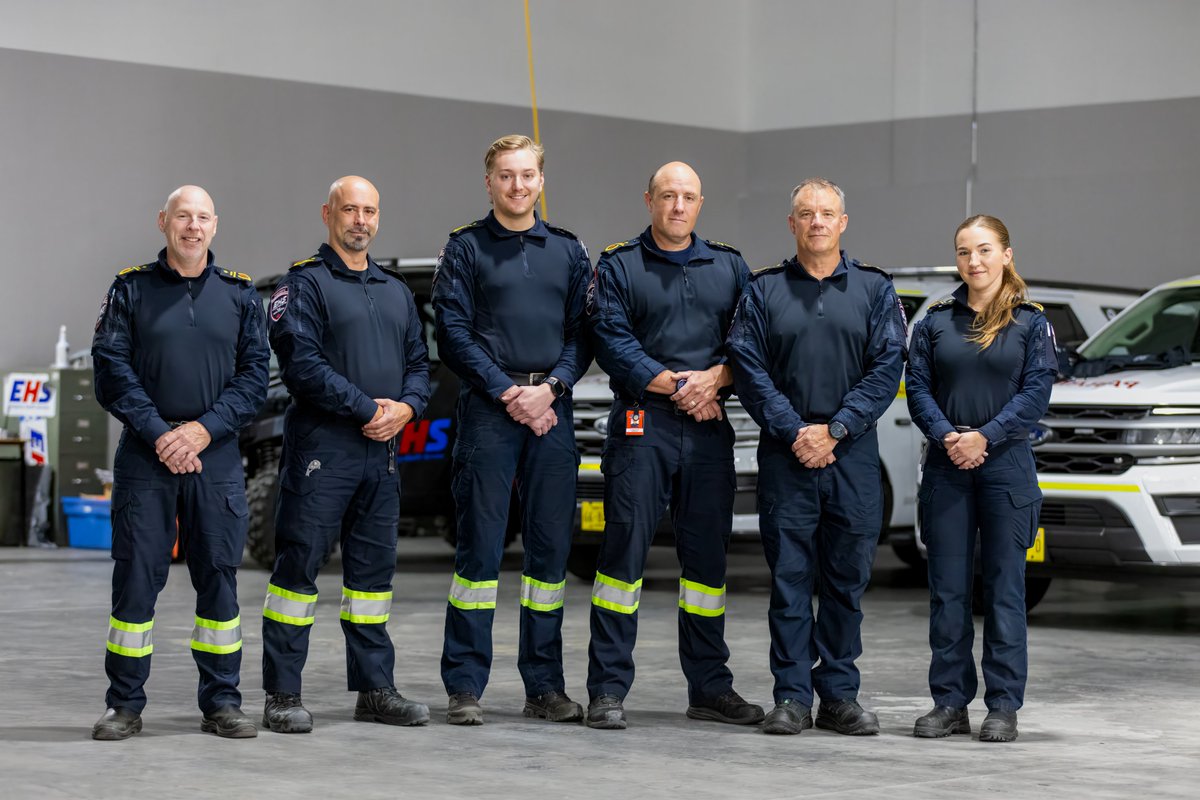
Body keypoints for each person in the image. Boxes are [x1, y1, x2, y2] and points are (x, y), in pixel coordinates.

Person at [585, 161, 761, 731]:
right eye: (667, 196)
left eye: (688, 196)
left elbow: (750, 342)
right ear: (649, 201)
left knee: (707, 564)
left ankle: (710, 688)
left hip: (709, 426)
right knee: (622, 557)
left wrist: (716, 379)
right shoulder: (619, 265)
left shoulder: (730, 266)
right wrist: (683, 388)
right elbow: (611, 340)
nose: (678, 206)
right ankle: (607, 689)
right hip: (644, 424)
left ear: (700, 204)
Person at [727, 177, 906, 736]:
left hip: (852, 456)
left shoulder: (875, 289)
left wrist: (836, 429)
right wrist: (796, 431)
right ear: (792, 224)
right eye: (806, 213)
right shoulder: (763, 290)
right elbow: (748, 368)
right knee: (789, 580)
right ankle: (791, 697)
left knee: (846, 581)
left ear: (843, 222)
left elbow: (887, 368)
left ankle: (839, 697)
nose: (817, 222)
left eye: (827, 213)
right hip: (787, 456)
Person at [91, 185, 270, 740]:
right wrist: (161, 432)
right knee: (135, 579)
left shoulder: (240, 295)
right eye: (183, 216)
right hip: (146, 457)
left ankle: (223, 702)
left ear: (215, 225)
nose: (193, 227)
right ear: (163, 221)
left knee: (218, 577)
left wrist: (201, 430)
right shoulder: (130, 289)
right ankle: (124, 705)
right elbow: (111, 370)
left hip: (215, 456)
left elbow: (254, 379)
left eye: (202, 217)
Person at [260, 176, 431, 733]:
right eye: (350, 209)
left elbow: (419, 365)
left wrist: (406, 409)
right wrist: (367, 409)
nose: (360, 220)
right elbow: (302, 365)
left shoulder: (395, 289)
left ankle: (375, 689)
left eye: (369, 211)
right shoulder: (303, 284)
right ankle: (282, 694)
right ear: (328, 213)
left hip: (382, 454)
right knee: (297, 572)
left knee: (372, 579)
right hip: (324, 450)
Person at [433, 135, 592, 726]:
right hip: (489, 412)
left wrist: (551, 389)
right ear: (490, 182)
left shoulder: (569, 250)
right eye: (506, 175)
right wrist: (509, 393)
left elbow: (584, 333)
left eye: (527, 175)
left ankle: (544, 688)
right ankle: (464, 686)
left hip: (552, 411)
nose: (518, 185)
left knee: (549, 554)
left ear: (541, 181)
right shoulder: (465, 247)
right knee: (479, 549)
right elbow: (452, 333)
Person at [905, 215, 1056, 743]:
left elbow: (1036, 393)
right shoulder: (936, 321)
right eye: (964, 251)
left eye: (985, 249)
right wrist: (949, 436)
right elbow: (917, 388)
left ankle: (1003, 705)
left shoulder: (1031, 323)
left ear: (1006, 255)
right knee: (947, 592)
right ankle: (949, 702)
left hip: (1006, 467)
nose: (974, 261)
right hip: (947, 466)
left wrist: (984, 437)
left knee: (1005, 590)